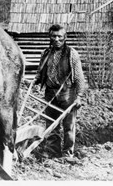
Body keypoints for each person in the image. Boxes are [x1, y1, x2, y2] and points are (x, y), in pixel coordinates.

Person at [34, 24, 87, 158]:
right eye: (53, 36)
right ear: (49, 37)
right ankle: (53, 151)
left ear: (65, 38)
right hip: (50, 93)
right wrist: (35, 81)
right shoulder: (45, 53)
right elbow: (40, 73)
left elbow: (79, 77)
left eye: (59, 36)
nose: (56, 39)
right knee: (51, 124)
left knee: (69, 126)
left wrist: (79, 96)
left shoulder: (71, 54)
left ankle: (67, 152)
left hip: (67, 94)